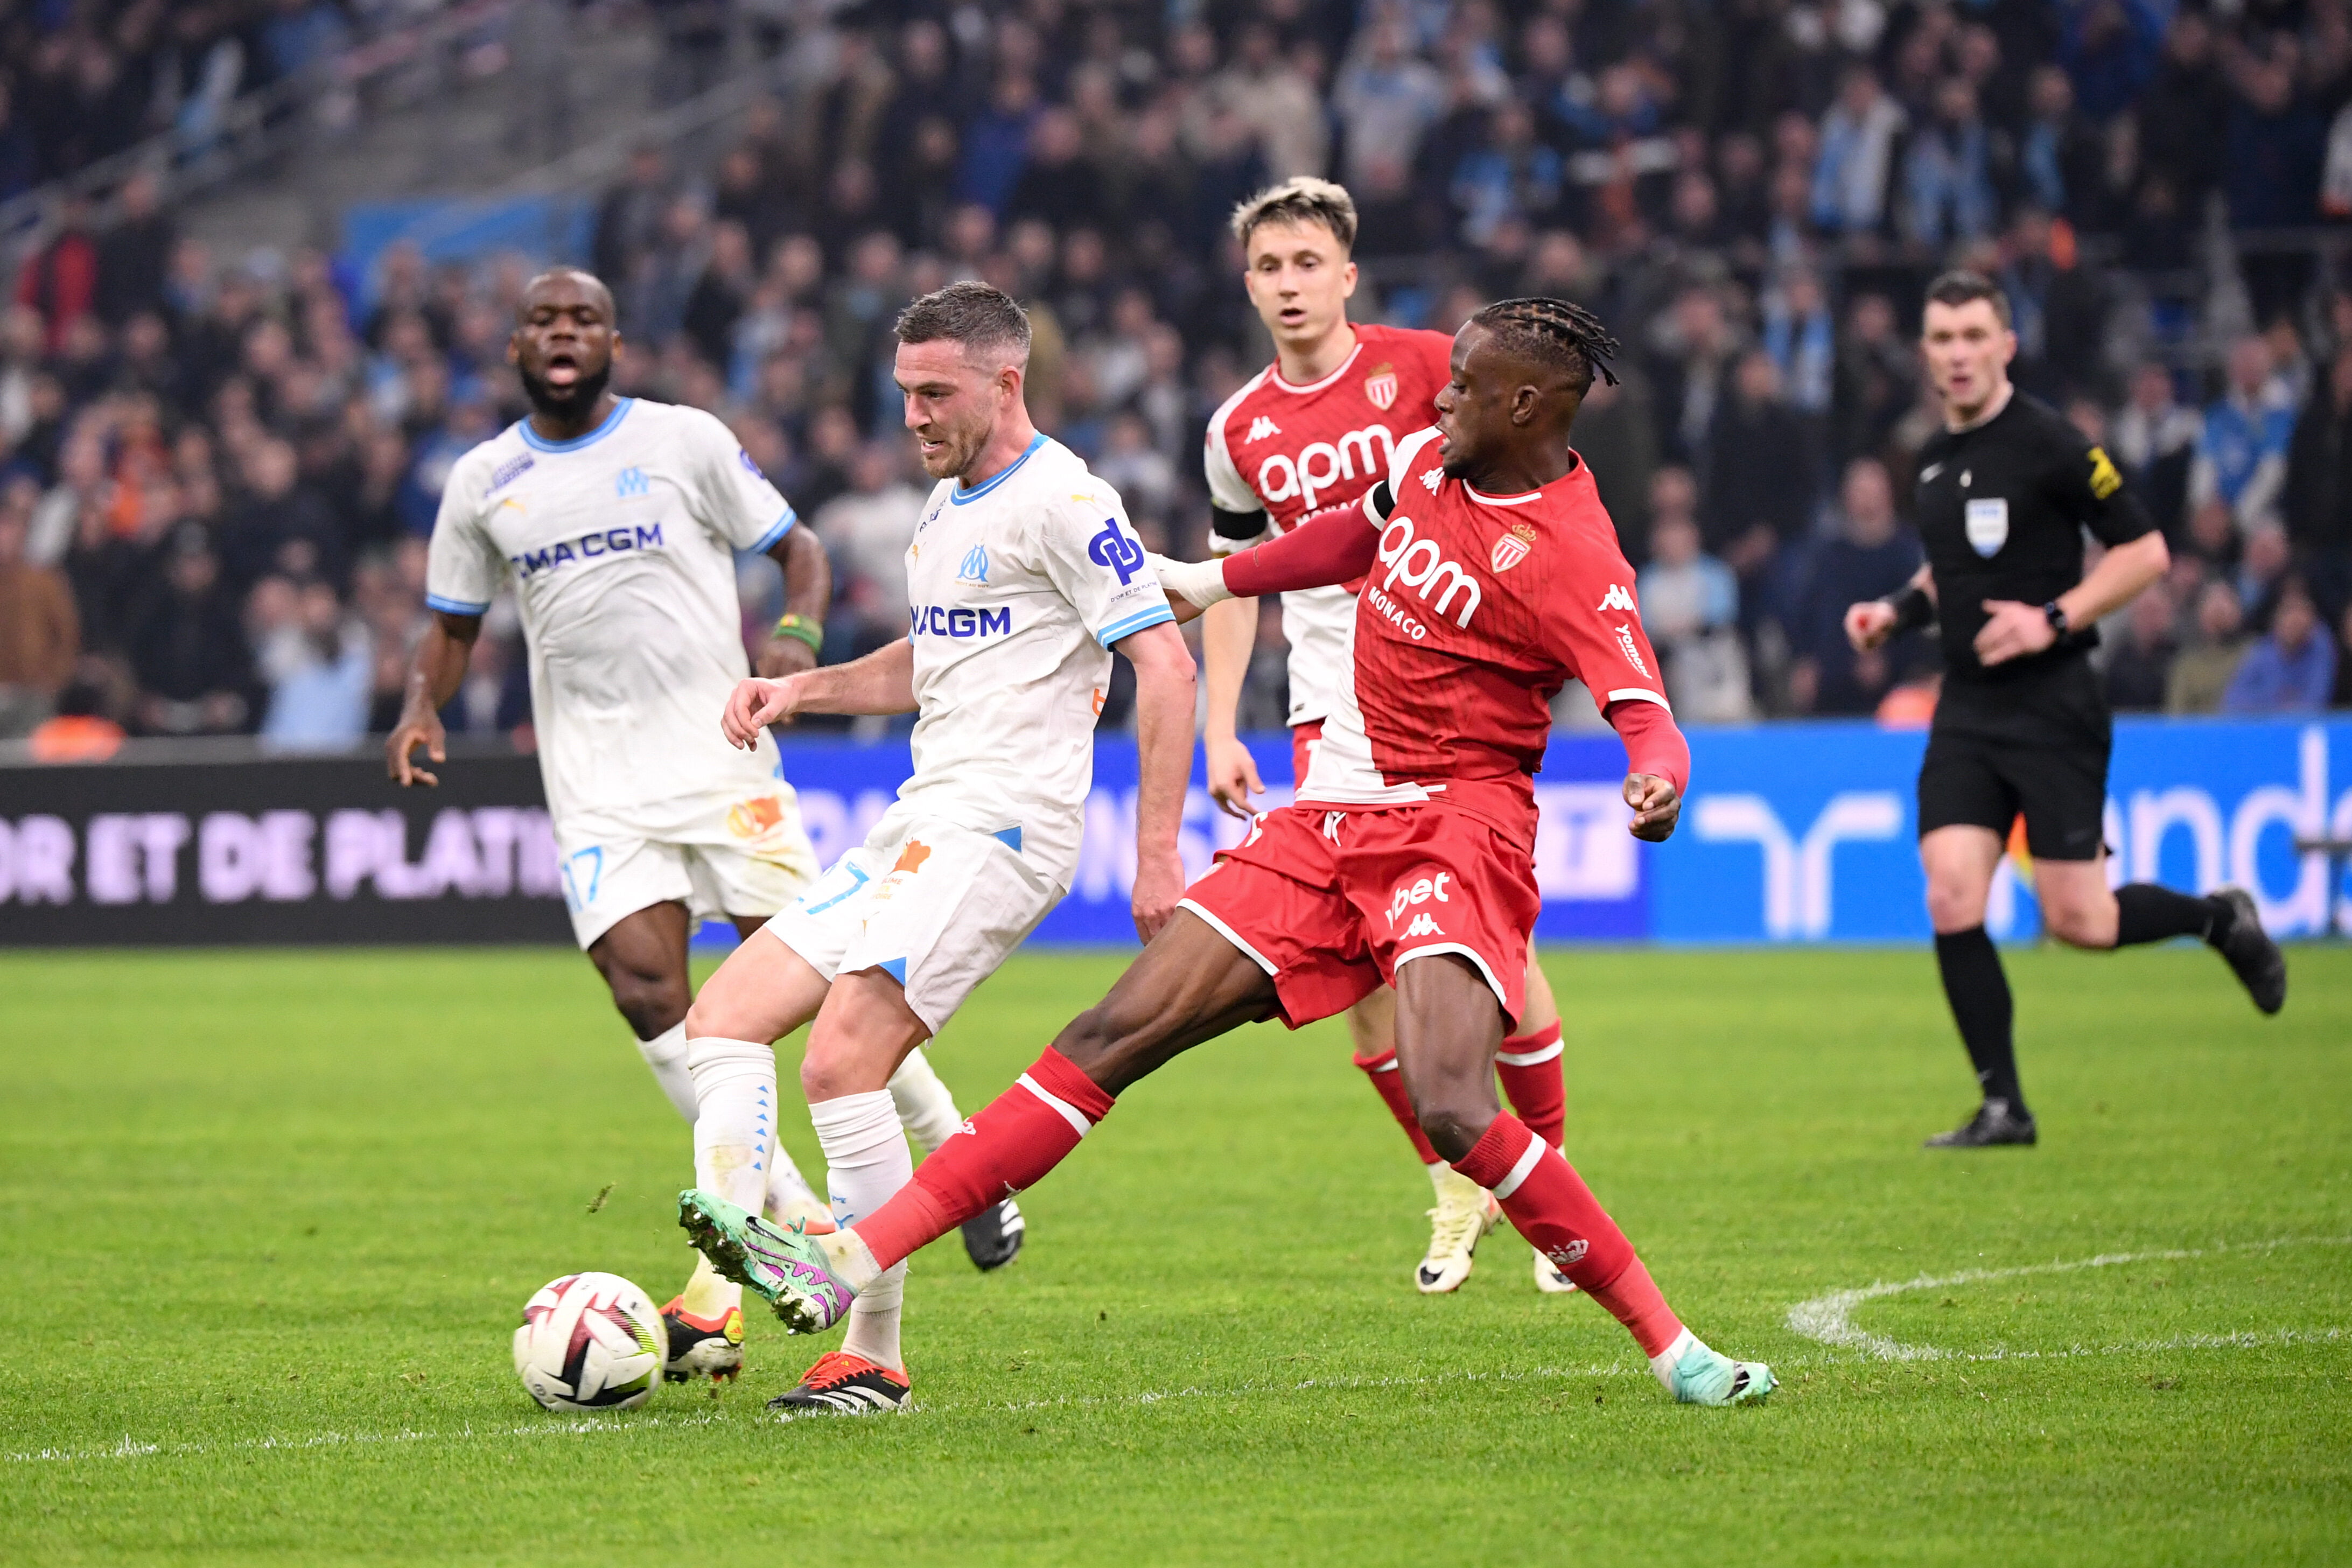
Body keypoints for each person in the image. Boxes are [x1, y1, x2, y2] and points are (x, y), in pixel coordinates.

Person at [685, 297, 1779, 1409]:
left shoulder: (1575, 554)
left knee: (1453, 1104)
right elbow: (1353, 534)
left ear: (1527, 407)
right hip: (1327, 818)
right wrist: (1216, 579)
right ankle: (848, 1262)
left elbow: (1645, 709)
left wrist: (1657, 780)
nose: (1441, 398)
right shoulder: (1428, 462)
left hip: (1451, 830)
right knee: (1108, 1033)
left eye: (1463, 386)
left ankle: (1674, 1347)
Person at [387, 269, 1009, 1387]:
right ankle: (784, 1227)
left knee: (825, 978)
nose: (564, 334)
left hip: (721, 762)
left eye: (583, 319)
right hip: (596, 784)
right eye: (544, 321)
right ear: (517, 346)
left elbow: (799, 549)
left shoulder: (683, 441)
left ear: (614, 341)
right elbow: (452, 623)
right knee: (649, 996)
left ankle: (953, 1148)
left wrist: (795, 637)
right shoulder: (483, 482)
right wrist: (421, 704)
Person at [675, 282, 1198, 1415]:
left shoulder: (1065, 499)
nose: (911, 416)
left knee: (840, 1062)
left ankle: (871, 1352)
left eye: (933, 394)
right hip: (921, 817)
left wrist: (1158, 851)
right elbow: (933, 659)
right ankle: (754, 1252)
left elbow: (1166, 663)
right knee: (720, 1019)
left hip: (1003, 826)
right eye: (904, 392)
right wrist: (801, 690)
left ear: (1006, 383)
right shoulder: (946, 506)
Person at [1196, 176, 1577, 1296]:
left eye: (1308, 263)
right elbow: (1235, 580)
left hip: (1445, 689)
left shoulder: (1424, 369)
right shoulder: (1236, 429)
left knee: (1493, 959)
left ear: (1348, 275)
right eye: (1270, 267)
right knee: (1367, 979)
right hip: (1327, 712)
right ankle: (1455, 1183)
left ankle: (1550, 1184)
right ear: (1247, 284)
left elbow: (1523, 477)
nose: (1290, 284)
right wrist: (1221, 726)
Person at [1845, 272, 2287, 1150]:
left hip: (2053, 703)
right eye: (1943, 339)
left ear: (2005, 345)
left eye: (1975, 335)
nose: (1959, 354)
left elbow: (2145, 552)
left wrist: (2051, 617)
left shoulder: (2050, 443)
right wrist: (1894, 611)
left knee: (2079, 921)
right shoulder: (1929, 460)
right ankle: (2003, 1107)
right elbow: (1951, 574)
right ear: (1926, 353)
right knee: (1950, 890)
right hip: (1967, 705)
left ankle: (2219, 920)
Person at [2221, 575, 2337, 713]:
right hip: (2265, 723)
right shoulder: (2263, 650)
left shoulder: (2321, 649)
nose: (2294, 622)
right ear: (2277, 622)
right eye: (2289, 615)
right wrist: (2273, 706)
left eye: (2300, 617)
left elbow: (2315, 701)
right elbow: (2234, 699)